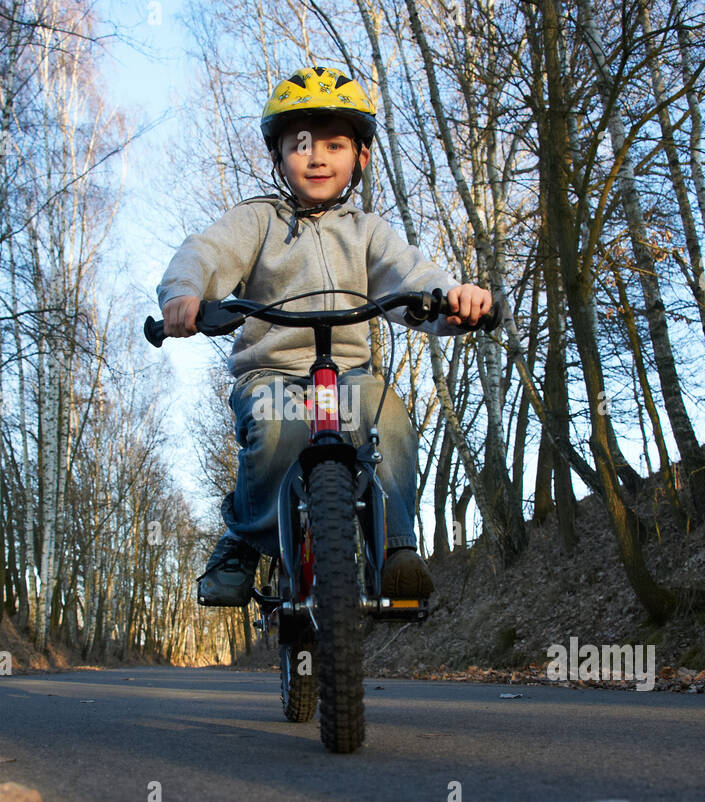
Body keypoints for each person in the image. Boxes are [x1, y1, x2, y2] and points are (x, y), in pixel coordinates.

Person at [156, 65, 492, 607]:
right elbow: (206, 252)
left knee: (391, 420)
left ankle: (395, 550)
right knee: (274, 428)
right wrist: (184, 294)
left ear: (359, 157)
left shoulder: (367, 231)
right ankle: (245, 537)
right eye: (301, 144)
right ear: (278, 156)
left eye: (335, 144)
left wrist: (452, 301)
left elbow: (410, 275)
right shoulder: (258, 220)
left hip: (348, 376)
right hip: (272, 372)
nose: (317, 157)